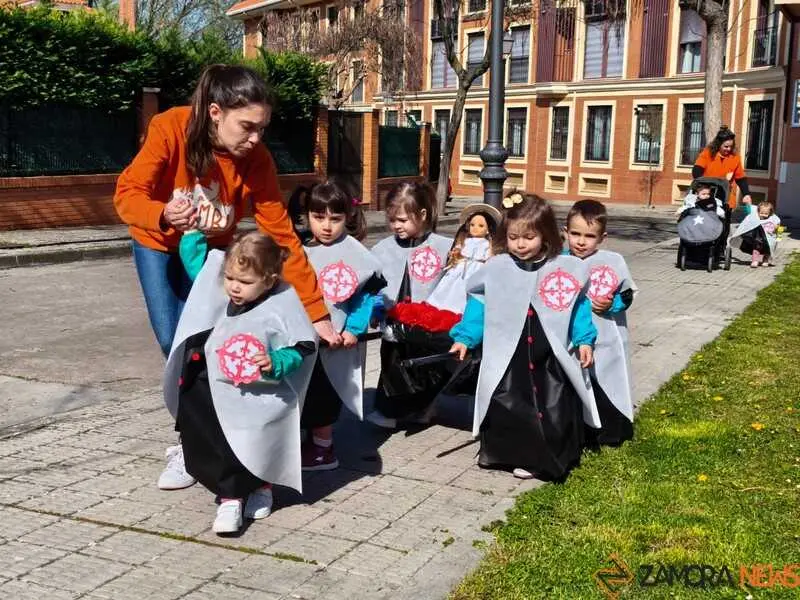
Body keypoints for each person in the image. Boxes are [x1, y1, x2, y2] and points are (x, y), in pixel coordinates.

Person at [114, 65, 337, 491]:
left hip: (214, 253)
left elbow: (280, 234)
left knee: (211, 342)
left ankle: (207, 440)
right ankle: (188, 444)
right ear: (215, 112)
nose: (256, 139)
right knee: (173, 342)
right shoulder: (171, 127)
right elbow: (127, 194)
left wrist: (316, 311)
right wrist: (161, 213)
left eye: (262, 128)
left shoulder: (256, 158)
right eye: (248, 126)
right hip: (157, 243)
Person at [164, 232, 317, 534]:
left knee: (252, 441)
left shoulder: (281, 304)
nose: (234, 286)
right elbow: (200, 266)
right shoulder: (223, 291)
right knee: (217, 440)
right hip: (213, 384)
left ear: (270, 279)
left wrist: (277, 361)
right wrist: (194, 232)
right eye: (231, 277)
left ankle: (252, 489)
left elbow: (300, 345)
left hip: (257, 392)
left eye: (245, 282)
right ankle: (230, 494)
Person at [449, 192, 599, 481]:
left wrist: (584, 339)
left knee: (549, 405)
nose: (520, 244)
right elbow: (479, 305)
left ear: (546, 235)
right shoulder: (496, 268)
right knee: (508, 403)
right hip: (511, 353)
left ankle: (544, 455)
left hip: (547, 355)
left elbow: (577, 306)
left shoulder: (564, 268)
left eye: (528, 237)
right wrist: (465, 337)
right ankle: (506, 452)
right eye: (513, 237)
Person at [297, 181, 385, 470]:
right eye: (318, 217)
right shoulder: (299, 251)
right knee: (303, 389)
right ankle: (305, 438)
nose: (326, 226)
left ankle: (324, 448)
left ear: (347, 217)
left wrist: (353, 330)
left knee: (325, 392)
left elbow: (365, 298)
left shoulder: (357, 254)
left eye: (335, 219)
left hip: (335, 341)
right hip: (302, 339)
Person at [365, 182, 454, 429]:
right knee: (392, 365)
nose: (397, 226)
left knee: (427, 367)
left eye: (403, 219)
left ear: (422, 214)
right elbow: (374, 287)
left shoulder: (445, 247)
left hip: (428, 322)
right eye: (392, 220)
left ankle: (424, 407)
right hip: (394, 322)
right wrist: (374, 310)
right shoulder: (382, 249)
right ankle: (388, 411)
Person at [564, 200, 636, 446]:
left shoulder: (612, 261)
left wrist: (611, 305)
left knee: (607, 382)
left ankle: (611, 430)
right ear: (565, 232)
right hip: (572, 336)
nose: (581, 242)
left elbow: (627, 294)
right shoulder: (559, 261)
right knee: (576, 381)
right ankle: (580, 430)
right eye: (575, 234)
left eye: (589, 236)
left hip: (607, 336)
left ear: (602, 237)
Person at [693, 127, 753, 259]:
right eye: (725, 146)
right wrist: (700, 186)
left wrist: (746, 193)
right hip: (707, 195)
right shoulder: (708, 153)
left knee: (724, 226)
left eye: (730, 147)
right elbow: (697, 170)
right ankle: (702, 248)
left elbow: (740, 178)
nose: (728, 149)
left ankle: (719, 250)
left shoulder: (735, 157)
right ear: (718, 144)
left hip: (725, 196)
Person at [730, 200, 781, 268]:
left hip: (768, 238)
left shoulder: (773, 219)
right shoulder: (754, 217)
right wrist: (741, 229)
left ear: (770, 213)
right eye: (761, 213)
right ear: (758, 212)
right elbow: (747, 222)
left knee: (768, 250)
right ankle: (755, 261)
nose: (763, 215)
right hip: (758, 237)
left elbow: (778, 227)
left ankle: (765, 260)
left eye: (766, 213)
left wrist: (777, 232)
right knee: (756, 248)